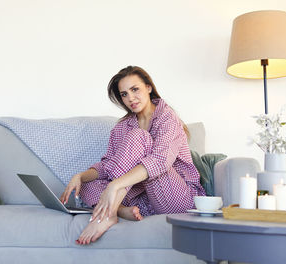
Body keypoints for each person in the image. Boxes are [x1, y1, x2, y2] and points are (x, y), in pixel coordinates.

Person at [60, 66, 205, 245]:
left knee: (140, 137)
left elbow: (160, 162)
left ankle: (109, 213)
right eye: (124, 94)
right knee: (86, 184)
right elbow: (107, 166)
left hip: (177, 198)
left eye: (135, 89)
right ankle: (121, 210)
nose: (130, 98)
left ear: (148, 87)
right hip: (142, 203)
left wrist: (114, 186)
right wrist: (80, 176)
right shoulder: (121, 128)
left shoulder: (168, 118)